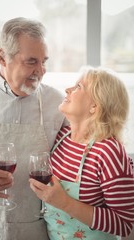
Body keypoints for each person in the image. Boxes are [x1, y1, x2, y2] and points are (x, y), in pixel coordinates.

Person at [0, 17, 68, 240]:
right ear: (2, 57)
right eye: (31, 61)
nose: (41, 70)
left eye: (44, 61)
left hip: (36, 230)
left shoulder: (58, 103)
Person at [29, 66, 134, 240]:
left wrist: (64, 203)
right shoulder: (62, 137)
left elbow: (124, 224)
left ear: (95, 105)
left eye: (79, 87)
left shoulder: (108, 151)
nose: (68, 89)